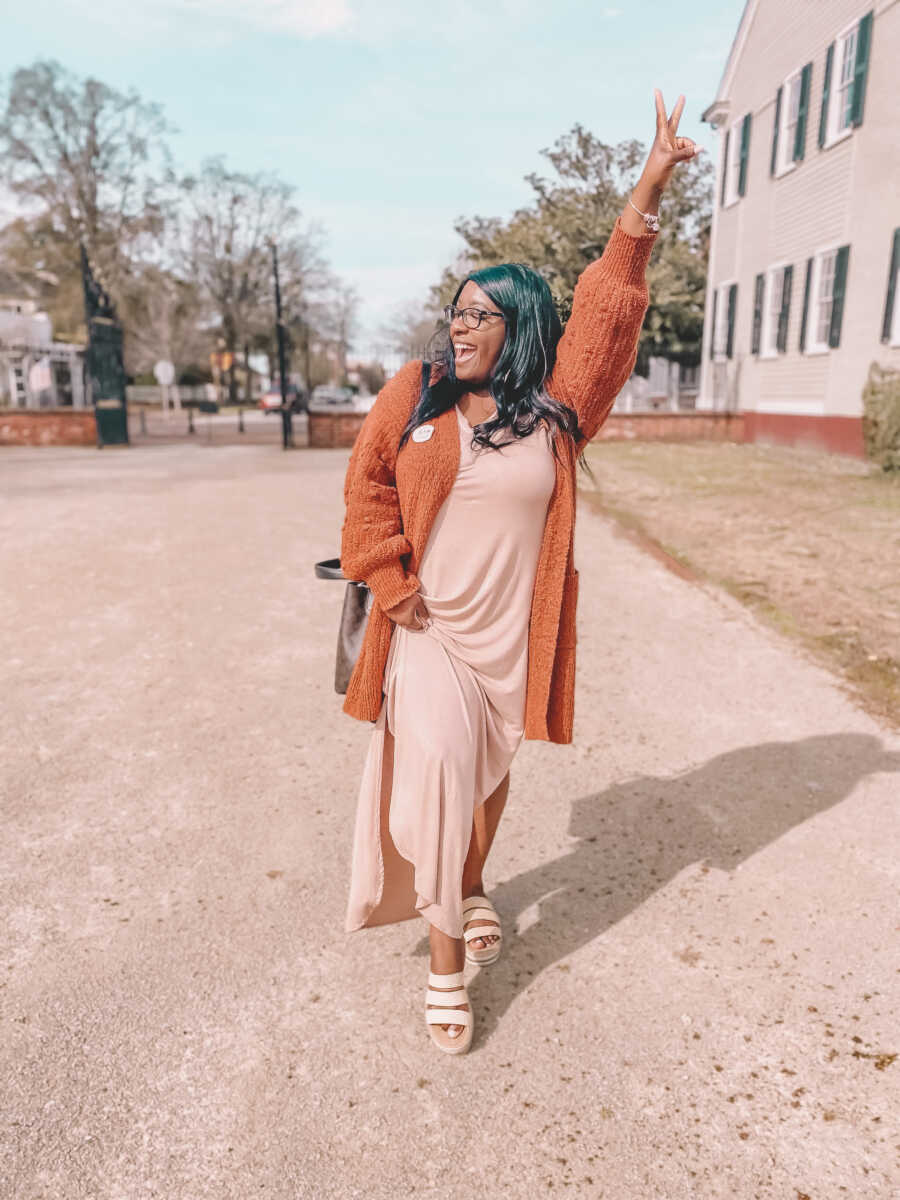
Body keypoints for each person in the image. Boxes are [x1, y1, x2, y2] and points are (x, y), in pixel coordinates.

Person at [339, 91, 700, 1054]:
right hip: (429, 630)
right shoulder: (413, 397)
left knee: (490, 773)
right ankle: (446, 968)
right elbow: (368, 487)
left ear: (521, 327)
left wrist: (647, 191)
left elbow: (608, 309)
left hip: (513, 638)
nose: (461, 327)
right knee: (448, 771)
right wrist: (390, 581)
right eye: (455, 311)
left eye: (482, 316)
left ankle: (464, 883)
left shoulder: (556, 410)